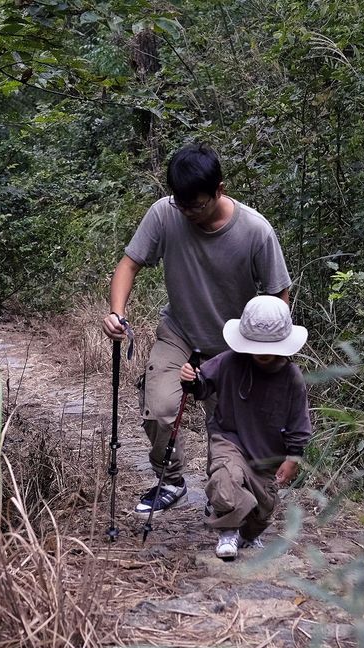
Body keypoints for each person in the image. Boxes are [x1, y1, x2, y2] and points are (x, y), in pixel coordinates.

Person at [102, 143, 292, 517]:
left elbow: (279, 295)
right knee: (158, 409)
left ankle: (224, 495)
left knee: (228, 430)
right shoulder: (164, 213)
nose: (188, 212)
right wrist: (116, 313)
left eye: (197, 205)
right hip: (180, 332)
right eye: (181, 204)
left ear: (219, 189)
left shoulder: (255, 231)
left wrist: (265, 350)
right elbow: (129, 265)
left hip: (235, 344)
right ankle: (170, 480)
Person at [179, 295, 311, 559]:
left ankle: (248, 533)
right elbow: (204, 385)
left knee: (262, 511)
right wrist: (191, 380)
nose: (262, 352)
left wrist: (293, 458)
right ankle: (227, 530)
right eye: (256, 345)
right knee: (225, 478)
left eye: (269, 346)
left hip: (267, 454)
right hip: (229, 437)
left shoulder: (291, 377)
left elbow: (299, 424)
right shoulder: (230, 361)